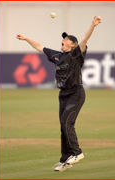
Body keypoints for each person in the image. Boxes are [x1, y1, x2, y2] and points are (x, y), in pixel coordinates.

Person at [16, 15, 101, 172]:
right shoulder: (57, 56)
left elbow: (84, 39)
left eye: (66, 39)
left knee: (66, 123)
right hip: (63, 95)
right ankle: (66, 159)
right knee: (64, 127)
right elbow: (40, 47)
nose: (63, 40)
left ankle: (77, 153)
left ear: (73, 44)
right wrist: (26, 38)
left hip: (76, 93)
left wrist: (93, 25)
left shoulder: (76, 55)